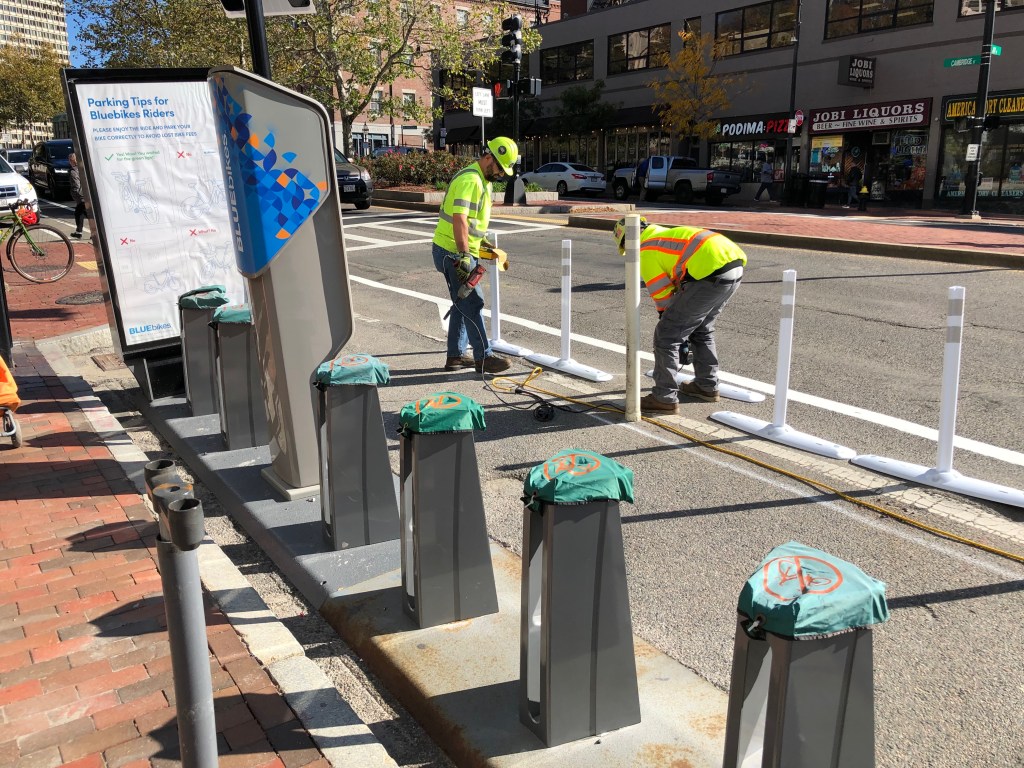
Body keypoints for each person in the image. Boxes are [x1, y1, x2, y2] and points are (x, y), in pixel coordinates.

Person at [613, 217, 746, 413]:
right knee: (702, 328)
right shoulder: (662, 235)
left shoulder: (646, 250)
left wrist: (673, 326)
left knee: (667, 335)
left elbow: (663, 300)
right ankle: (706, 385)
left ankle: (664, 398)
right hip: (733, 266)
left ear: (627, 241)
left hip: (707, 273)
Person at [432, 137, 518, 374]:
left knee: (462, 302)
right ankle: (483, 357)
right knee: (473, 301)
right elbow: (459, 219)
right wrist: (463, 255)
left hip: (459, 250)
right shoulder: (471, 180)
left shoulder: (483, 180)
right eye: (500, 168)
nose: (501, 174)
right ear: (489, 157)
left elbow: (471, 223)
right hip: (452, 251)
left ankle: (456, 356)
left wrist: (484, 244)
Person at [68, 151, 86, 238]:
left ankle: (80, 232)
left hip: (82, 196)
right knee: (80, 213)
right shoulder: (84, 168)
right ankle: (79, 232)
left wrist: (77, 194)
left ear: (71, 161)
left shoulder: (73, 171)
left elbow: (76, 185)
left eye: (69, 160)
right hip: (87, 194)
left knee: (81, 213)